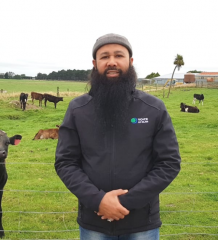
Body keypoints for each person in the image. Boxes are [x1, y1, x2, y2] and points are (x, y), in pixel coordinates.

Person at [55, 33, 181, 240]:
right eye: (104, 57)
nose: (112, 62)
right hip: (94, 222)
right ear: (95, 64)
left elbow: (169, 163)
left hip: (142, 223)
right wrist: (98, 201)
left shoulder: (153, 108)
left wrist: (124, 203)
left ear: (130, 62)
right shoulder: (78, 109)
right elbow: (65, 162)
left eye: (118, 55)